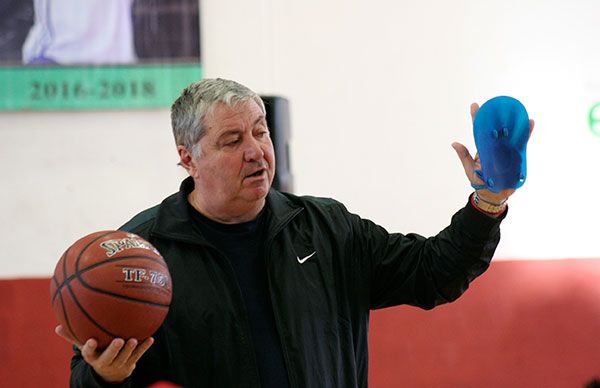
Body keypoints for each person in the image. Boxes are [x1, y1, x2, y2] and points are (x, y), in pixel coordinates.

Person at [56, 78, 534, 387]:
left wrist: (488, 203)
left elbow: (433, 273)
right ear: (187, 157)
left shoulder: (326, 229)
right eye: (232, 140)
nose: (256, 151)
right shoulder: (142, 256)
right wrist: (105, 378)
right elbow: (87, 377)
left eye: (261, 132)